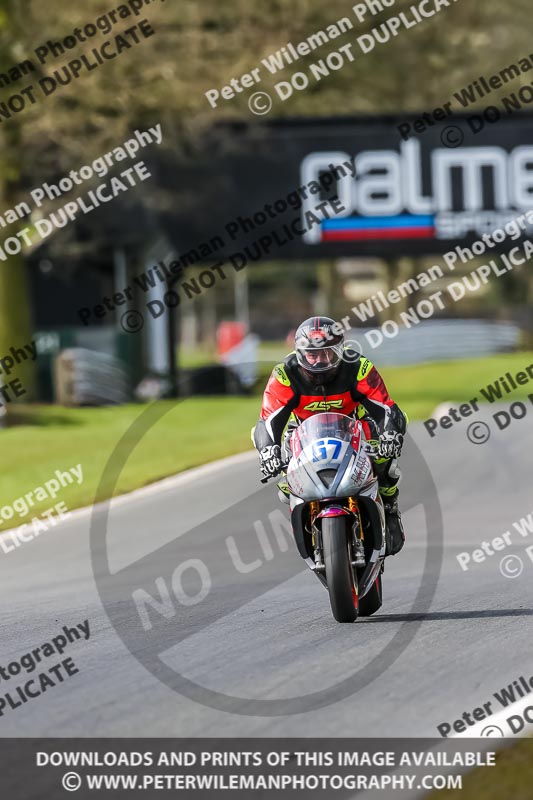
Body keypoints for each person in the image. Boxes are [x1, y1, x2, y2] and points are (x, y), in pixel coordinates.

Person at [252, 316, 407, 555]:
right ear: (300, 353)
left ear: (340, 350)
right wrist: (267, 451)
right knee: (284, 483)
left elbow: (386, 407)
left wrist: (390, 435)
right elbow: (267, 420)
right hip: (303, 432)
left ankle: (389, 506)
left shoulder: (358, 367)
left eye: (326, 354)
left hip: (355, 425)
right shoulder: (285, 374)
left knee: (384, 459)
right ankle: (308, 524)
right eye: (312, 355)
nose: (319, 361)